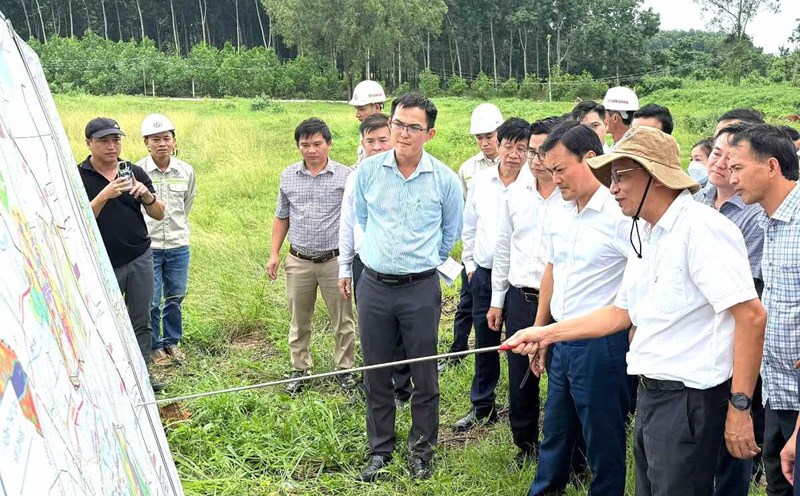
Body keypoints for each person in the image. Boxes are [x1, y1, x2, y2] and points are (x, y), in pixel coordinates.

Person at [505, 125, 766, 496]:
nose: (612, 188)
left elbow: (752, 317)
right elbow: (619, 313)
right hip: (652, 393)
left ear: (654, 176)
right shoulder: (645, 232)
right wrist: (544, 332)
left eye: (621, 176)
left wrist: (740, 407)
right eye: (610, 178)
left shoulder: (701, 229)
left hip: (692, 400)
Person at [353, 93, 462, 482]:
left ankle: (422, 450)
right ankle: (380, 449)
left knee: (424, 372)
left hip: (419, 289)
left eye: (414, 127)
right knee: (376, 371)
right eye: (398, 124)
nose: (403, 133)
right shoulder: (367, 171)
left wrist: (421, 259)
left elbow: (450, 232)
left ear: (429, 134)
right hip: (374, 287)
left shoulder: (445, 180)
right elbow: (362, 219)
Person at [525, 121, 632, 496]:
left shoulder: (619, 216)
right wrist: (541, 331)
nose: (554, 180)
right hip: (560, 335)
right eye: (549, 170)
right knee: (555, 429)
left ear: (591, 158)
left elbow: (640, 281)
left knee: (602, 436)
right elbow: (552, 269)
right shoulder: (561, 210)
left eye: (560, 169)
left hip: (601, 344)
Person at [485, 116, 563, 468]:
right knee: (520, 377)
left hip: (563, 302)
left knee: (563, 379)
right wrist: (497, 301)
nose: (534, 160)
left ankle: (566, 450)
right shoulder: (516, 192)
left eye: (541, 152)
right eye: (530, 151)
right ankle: (525, 445)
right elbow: (503, 248)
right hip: (521, 297)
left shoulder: (573, 194)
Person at [727, 124, 800, 496]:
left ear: (771, 166)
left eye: (738, 167)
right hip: (777, 392)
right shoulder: (765, 222)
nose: (730, 176)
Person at [694, 123, 766, 496]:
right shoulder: (694, 202)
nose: (721, 163)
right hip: (698, 340)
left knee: (736, 424)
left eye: (730, 158)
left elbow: (748, 288)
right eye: (716, 153)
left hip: (736, 334)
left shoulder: (754, 215)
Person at [268, 117, 356, 395]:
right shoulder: (288, 176)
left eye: (317, 144)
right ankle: (299, 369)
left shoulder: (346, 176)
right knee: (299, 318)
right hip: (299, 259)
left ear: (329, 144)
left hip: (335, 261)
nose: (311, 150)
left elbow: (355, 218)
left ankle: (345, 369)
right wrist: (274, 253)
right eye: (305, 145)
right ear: (298, 147)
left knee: (343, 319)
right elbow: (282, 216)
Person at [78, 117, 167, 392]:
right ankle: (107, 379)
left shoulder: (134, 171)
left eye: (116, 139)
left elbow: (159, 213)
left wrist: (147, 197)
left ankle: (142, 375)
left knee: (141, 319)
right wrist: (104, 195)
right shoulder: (77, 176)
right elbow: (77, 220)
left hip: (139, 257)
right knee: (103, 321)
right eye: (103, 140)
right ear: (88, 143)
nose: (111, 146)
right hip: (101, 262)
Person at [452, 118, 529, 435]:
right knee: (485, 342)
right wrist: (469, 264)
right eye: (508, 146)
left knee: (521, 345)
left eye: (521, 148)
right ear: (498, 145)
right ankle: (482, 405)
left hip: (519, 281)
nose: (513, 154)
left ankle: (523, 406)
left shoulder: (533, 184)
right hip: (483, 274)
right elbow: (468, 227)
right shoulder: (482, 181)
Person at [337, 113, 411, 405]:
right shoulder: (357, 177)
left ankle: (402, 388)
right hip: (363, 263)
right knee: (372, 330)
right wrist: (344, 266)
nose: (377, 146)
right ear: (362, 143)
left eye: (383, 140)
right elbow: (347, 223)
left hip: (400, 263)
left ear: (393, 138)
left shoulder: (403, 174)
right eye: (371, 141)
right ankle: (375, 387)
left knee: (401, 331)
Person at [440, 103, 504, 373]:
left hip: (502, 253)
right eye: (479, 137)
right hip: (477, 253)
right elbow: (467, 218)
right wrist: (469, 261)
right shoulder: (468, 169)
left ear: (500, 133)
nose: (484, 143)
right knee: (467, 305)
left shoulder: (514, 165)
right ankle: (457, 350)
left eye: (489, 136)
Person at [136, 113, 197, 366]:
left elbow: (187, 203)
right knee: (152, 299)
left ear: (173, 141)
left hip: (178, 243)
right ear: (146, 143)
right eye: (155, 139)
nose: (161, 143)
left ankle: (173, 342)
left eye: (166, 138)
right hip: (150, 245)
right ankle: (155, 345)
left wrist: (177, 229)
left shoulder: (185, 170)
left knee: (176, 296)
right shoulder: (138, 171)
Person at [349, 80, 387, 164]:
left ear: (377, 108)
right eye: (357, 110)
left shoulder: (390, 132)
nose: (357, 115)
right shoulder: (365, 131)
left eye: (362, 109)